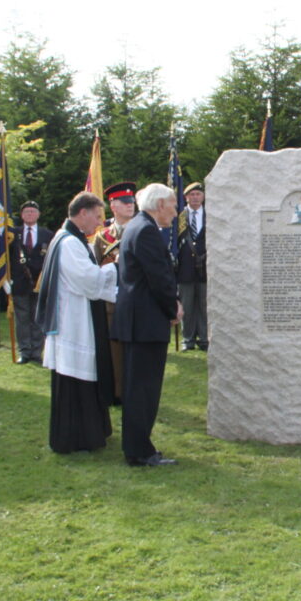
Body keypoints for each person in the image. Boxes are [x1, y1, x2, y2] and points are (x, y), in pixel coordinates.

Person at [35, 192, 117, 454]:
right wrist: (116, 267)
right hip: (74, 322)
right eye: (96, 215)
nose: (99, 222)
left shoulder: (69, 238)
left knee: (79, 378)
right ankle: (77, 436)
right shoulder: (69, 243)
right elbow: (89, 282)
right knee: (76, 378)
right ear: (82, 213)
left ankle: (88, 432)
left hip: (76, 316)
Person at [113, 183, 183, 467]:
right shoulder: (146, 231)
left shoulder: (136, 226)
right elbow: (159, 278)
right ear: (161, 204)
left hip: (137, 321)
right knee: (143, 390)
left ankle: (137, 447)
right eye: (174, 205)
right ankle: (140, 452)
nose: (176, 212)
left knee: (136, 388)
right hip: (144, 323)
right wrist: (173, 307)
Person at [94, 181, 137, 403]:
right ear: (113, 205)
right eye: (125, 202)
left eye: (132, 201)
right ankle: (118, 391)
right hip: (112, 302)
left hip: (137, 301)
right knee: (114, 350)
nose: (131, 205)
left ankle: (135, 390)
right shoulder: (102, 237)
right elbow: (95, 268)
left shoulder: (142, 230)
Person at [10, 201, 53, 364]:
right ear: (21, 215)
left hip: (39, 282)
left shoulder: (47, 235)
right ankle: (25, 351)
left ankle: (36, 352)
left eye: (33, 211)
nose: (29, 214)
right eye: (26, 212)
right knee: (22, 318)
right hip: (20, 281)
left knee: (37, 317)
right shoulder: (13, 234)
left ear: (38, 214)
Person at [177, 182, 208, 350]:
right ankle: (187, 339)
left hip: (206, 268)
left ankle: (204, 338)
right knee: (186, 305)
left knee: (204, 305)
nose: (195, 197)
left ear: (203, 197)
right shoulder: (179, 217)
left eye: (198, 194)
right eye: (192, 194)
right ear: (186, 197)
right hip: (185, 268)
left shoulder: (211, 215)